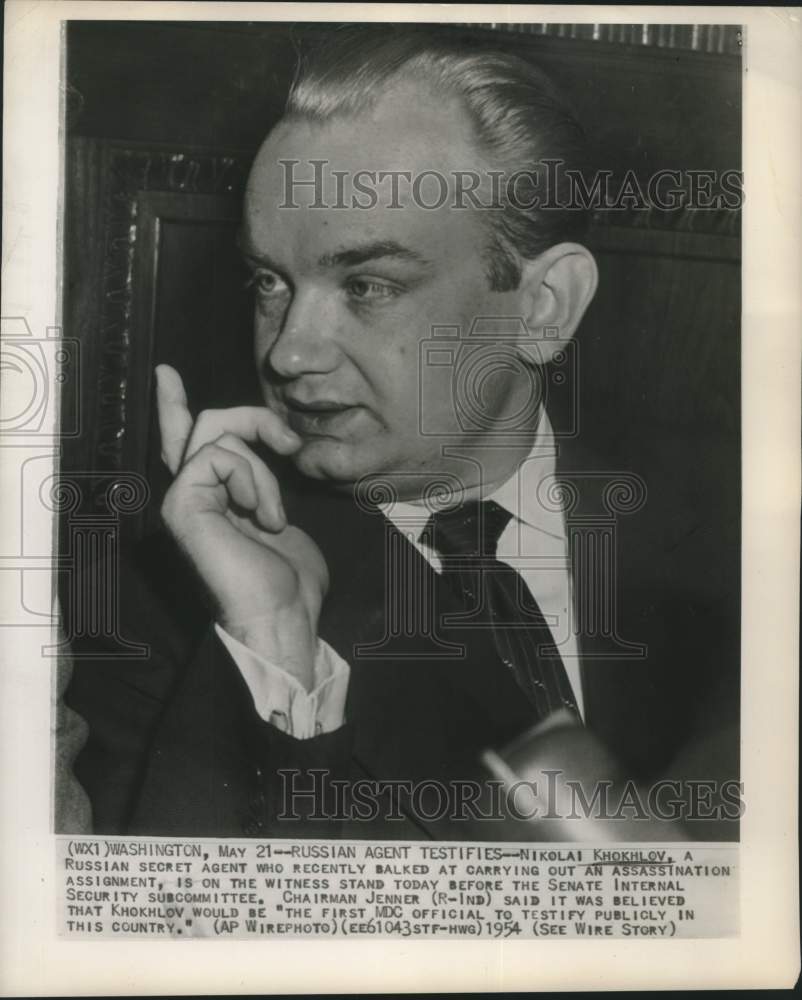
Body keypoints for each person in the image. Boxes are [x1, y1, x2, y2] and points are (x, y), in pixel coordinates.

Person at [64, 27, 739, 840]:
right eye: (270, 281)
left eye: (369, 284)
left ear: (544, 304)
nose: (290, 350)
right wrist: (277, 643)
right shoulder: (155, 607)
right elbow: (181, 944)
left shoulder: (733, 555)